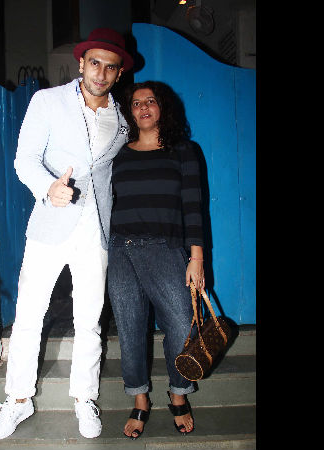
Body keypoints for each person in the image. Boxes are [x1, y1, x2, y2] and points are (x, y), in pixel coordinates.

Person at [0, 27, 134, 441]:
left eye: (110, 67)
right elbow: (25, 159)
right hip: (51, 222)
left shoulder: (122, 121)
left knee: (89, 320)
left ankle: (84, 398)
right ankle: (18, 399)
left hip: (96, 228)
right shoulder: (48, 101)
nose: (101, 73)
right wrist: (47, 187)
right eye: (95, 63)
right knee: (29, 315)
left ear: (119, 73)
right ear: (81, 63)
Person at [107, 81, 205, 439]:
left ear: (163, 107)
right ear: (129, 112)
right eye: (136, 103)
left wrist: (196, 258)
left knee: (181, 324)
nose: (143, 107)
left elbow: (193, 206)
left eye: (150, 101)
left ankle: (178, 393)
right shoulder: (119, 154)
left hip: (164, 247)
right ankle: (140, 397)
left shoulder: (183, 151)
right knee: (130, 327)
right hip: (121, 249)